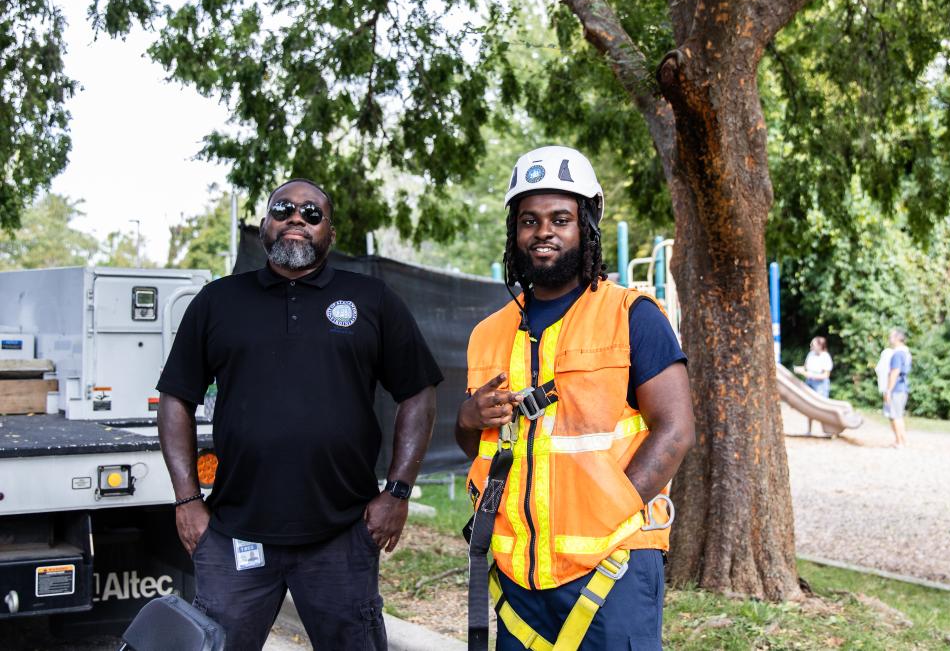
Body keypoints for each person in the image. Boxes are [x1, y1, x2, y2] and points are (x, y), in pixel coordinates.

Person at [157, 178, 443, 650]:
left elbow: (418, 392)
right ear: (264, 225)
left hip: (342, 533)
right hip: (234, 532)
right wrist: (187, 500)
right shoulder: (218, 300)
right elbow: (176, 397)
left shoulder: (372, 299)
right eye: (282, 209)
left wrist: (397, 492)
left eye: (312, 213)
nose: (296, 217)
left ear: (330, 232)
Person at [455, 146, 695, 650]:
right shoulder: (488, 334)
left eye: (560, 219)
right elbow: (478, 446)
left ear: (585, 226)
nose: (543, 231)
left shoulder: (633, 315)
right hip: (518, 573)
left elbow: (676, 430)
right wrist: (469, 417)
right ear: (514, 232)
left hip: (614, 565)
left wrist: (613, 507)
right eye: (529, 220)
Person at [884, 327, 912, 448]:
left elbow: (895, 372)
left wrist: (888, 390)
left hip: (896, 389)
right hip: (903, 388)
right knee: (898, 415)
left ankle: (899, 441)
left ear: (897, 338)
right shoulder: (906, 353)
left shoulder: (897, 354)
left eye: (891, 336)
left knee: (894, 416)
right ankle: (903, 441)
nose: (889, 338)